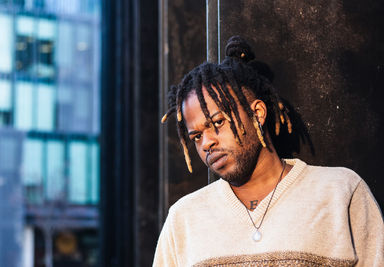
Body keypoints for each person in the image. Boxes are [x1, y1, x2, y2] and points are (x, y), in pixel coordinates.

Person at [153, 36, 384, 266]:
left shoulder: (340, 191)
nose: (206, 143)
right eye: (196, 136)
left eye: (217, 123)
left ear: (258, 113)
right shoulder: (184, 218)